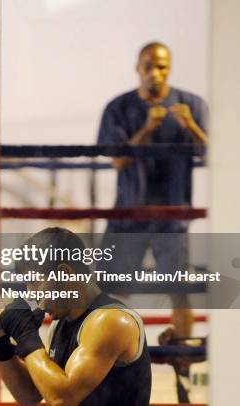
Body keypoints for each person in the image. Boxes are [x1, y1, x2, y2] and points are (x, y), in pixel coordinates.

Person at [96, 41, 209, 338]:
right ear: (138, 67)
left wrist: (192, 127)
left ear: (169, 68)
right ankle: (108, 358)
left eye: (162, 66)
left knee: (179, 289)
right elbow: (118, 161)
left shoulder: (193, 105)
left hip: (172, 215)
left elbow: (214, 156)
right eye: (149, 66)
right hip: (129, 213)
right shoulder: (118, 107)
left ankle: (183, 359)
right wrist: (146, 128)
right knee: (110, 290)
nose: (155, 73)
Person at [0, 228, 151, 405]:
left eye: (35, 282)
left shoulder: (111, 321)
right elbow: (31, 395)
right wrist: (0, 345)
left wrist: (26, 335)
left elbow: (62, 399)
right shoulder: (61, 323)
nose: (30, 294)